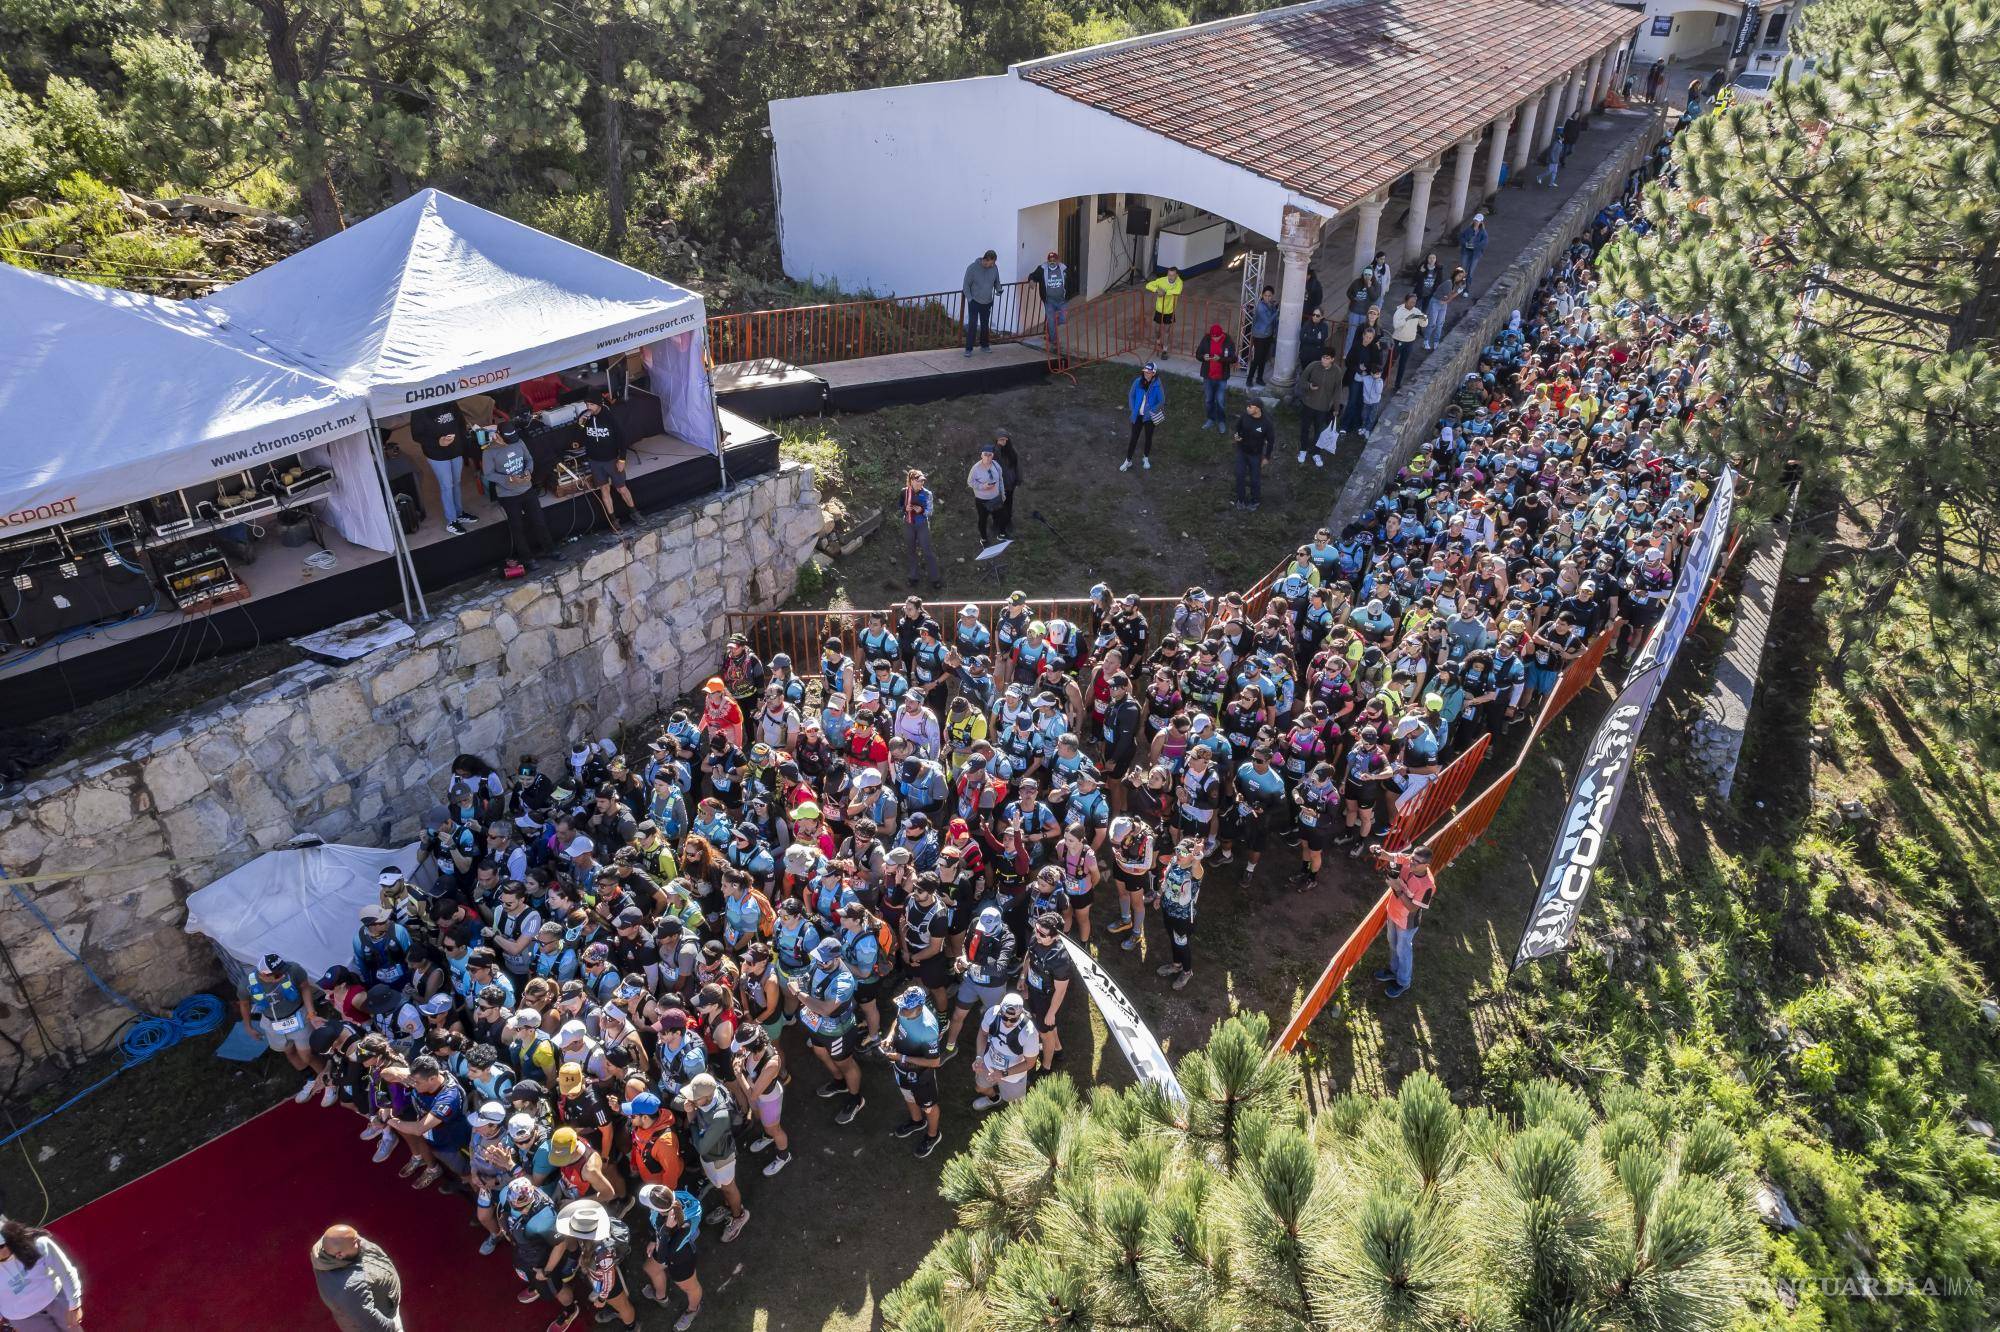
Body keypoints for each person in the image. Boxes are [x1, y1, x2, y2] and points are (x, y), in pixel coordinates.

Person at [238, 950, 324, 1104]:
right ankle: (311, 1079)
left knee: (307, 1055)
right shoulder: (247, 984)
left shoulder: (293, 969)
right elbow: (244, 1004)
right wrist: (248, 1026)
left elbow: (304, 986)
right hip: (273, 1024)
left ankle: (328, 1081)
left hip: (298, 1017)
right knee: (289, 1052)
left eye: (282, 972)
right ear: (264, 975)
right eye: (277, 975)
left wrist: (311, 1011)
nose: (283, 976)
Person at [677, 1074, 752, 1242]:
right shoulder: (707, 1096)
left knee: (729, 1188)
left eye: (694, 1098)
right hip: (712, 1156)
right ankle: (728, 1206)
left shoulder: (720, 1116)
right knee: (723, 1187)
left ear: (708, 1097)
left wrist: (691, 1117)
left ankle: (739, 1216)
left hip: (721, 1158)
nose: (690, 1100)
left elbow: (701, 1146)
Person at [550, 1198, 638, 1330]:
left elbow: (609, 1281)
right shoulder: (591, 1238)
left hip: (608, 1283)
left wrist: (602, 1299)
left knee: (622, 1305)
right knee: (616, 1300)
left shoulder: (602, 1255)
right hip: (603, 1275)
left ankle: (631, 1326)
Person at [882, 984, 945, 1157]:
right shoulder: (905, 1009)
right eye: (901, 1006)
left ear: (919, 1008)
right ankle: (917, 1122)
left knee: (929, 1107)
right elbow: (897, 1021)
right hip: (901, 1070)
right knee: (908, 1097)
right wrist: (889, 1037)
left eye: (905, 1009)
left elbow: (935, 1062)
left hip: (921, 1077)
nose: (901, 1010)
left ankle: (933, 1136)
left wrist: (901, 1058)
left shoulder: (928, 1028)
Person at [484, 420, 553, 572]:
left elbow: (529, 459)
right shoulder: (489, 452)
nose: (511, 442)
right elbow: (488, 474)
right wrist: (507, 479)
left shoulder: (519, 441)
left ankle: (550, 550)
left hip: (527, 489)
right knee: (517, 527)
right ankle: (528, 558)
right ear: (498, 436)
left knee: (539, 521)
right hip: (508, 495)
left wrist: (528, 471)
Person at [636, 1184, 704, 1330]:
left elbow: (663, 1257)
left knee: (690, 1287)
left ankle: (693, 1309)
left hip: (681, 1258)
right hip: (671, 1244)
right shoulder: (673, 1197)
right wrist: (655, 1239)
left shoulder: (672, 1226)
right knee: (650, 1269)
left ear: (659, 1211)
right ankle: (661, 1297)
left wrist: (665, 1231)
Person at [1374, 845, 1437, 998]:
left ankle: (1403, 982)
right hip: (1393, 912)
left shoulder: (1427, 886)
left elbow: (1412, 908)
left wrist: (1397, 888)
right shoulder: (1409, 860)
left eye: (1417, 862)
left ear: (1426, 865)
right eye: (1412, 858)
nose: (1411, 863)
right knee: (1392, 944)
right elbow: (1390, 856)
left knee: (1403, 951)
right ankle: (1393, 971)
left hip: (1406, 923)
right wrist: (1379, 851)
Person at [311, 1224, 400, 1332]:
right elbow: (375, 1326)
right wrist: (395, 1327)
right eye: (355, 1242)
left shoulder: (328, 1245)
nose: (359, 1241)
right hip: (382, 1318)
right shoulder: (350, 1287)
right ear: (340, 1255)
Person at [411, 399, 476, 535]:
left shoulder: (450, 402)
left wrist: (462, 442)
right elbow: (416, 435)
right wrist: (438, 441)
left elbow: (460, 423)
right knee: (447, 486)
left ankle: (459, 513)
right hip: (436, 454)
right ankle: (451, 521)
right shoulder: (419, 408)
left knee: (456, 483)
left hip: (455, 451)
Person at [971, 992, 1041, 1110]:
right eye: (1004, 1018)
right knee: (980, 1088)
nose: (1008, 1023)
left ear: (1021, 1014)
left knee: (1016, 1105)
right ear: (1000, 1011)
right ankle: (994, 1099)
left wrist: (1003, 1073)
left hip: (1013, 1076)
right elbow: (982, 1034)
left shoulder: (1029, 1032)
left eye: (1013, 1020)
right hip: (988, 1063)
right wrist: (979, 1057)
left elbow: (1030, 1063)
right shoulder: (992, 1013)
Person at [1021, 911, 1071, 1072]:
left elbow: (1061, 991)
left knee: (1045, 1033)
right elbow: (1029, 955)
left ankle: (1046, 1066)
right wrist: (1023, 977)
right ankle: (1058, 1050)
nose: (1037, 935)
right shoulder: (1036, 938)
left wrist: (1051, 1012)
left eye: (1042, 934)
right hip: (1034, 990)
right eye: (1036, 929)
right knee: (1040, 1023)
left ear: (1056, 936)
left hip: (1047, 998)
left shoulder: (1060, 958)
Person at [578, 400, 637, 531]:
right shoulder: (585, 416)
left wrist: (622, 459)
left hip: (611, 460)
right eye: (587, 405)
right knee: (604, 489)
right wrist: (581, 423)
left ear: (599, 404)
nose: (589, 407)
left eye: (592, 404)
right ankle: (613, 520)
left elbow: (622, 438)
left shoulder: (610, 417)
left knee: (622, 488)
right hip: (595, 461)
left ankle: (634, 513)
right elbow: (580, 434)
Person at [1154, 837, 1204, 989]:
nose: (1179, 854)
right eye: (1178, 850)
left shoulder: (1194, 871)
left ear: (1191, 854)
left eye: (1184, 852)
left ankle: (1187, 972)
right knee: (1172, 938)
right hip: (1168, 909)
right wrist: (1158, 896)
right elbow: (1165, 879)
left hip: (1183, 917)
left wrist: (1197, 856)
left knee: (1181, 944)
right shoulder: (1174, 861)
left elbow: (1198, 869)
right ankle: (1176, 965)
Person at [1295, 349, 1341, 466]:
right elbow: (1301, 381)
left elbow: (1337, 391)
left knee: (1319, 431)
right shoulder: (1313, 366)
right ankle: (1303, 450)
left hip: (1323, 407)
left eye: (1327, 358)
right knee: (1305, 428)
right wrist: (1309, 386)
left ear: (1332, 359)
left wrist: (1336, 408)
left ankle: (1316, 452)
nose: (1324, 360)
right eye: (1323, 357)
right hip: (1308, 404)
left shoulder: (1337, 371)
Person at [900, 468, 942, 590]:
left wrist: (922, 510)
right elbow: (899, 507)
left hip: (922, 524)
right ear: (912, 481)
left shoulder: (927, 493)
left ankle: (935, 579)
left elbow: (930, 511)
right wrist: (905, 509)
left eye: (922, 481)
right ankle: (913, 577)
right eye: (918, 481)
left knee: (927, 551)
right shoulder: (904, 492)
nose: (921, 483)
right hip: (908, 524)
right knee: (911, 551)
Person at [1232, 400, 1274, 511]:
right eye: (1248, 406)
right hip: (1242, 451)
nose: (1248, 408)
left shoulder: (1266, 423)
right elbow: (1237, 427)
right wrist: (1236, 436)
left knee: (1255, 479)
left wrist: (1267, 457)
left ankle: (1255, 500)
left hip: (1255, 455)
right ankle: (1241, 499)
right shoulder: (1245, 416)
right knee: (1240, 475)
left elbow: (1271, 441)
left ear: (1258, 409)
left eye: (1250, 406)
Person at [1123, 363, 1165, 472]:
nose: (1146, 374)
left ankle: (1145, 457)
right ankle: (1128, 460)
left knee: (1148, 437)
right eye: (1145, 372)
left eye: (1149, 372)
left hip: (1149, 417)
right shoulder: (1138, 382)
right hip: (1137, 415)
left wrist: (1152, 411)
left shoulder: (1157, 385)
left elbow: (1161, 401)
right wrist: (1133, 409)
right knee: (1134, 438)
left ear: (1154, 373)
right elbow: (1131, 396)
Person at [1031, 250, 1071, 360]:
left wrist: (1068, 293)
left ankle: (1049, 327)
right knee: (1052, 320)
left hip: (1062, 300)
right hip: (1049, 301)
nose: (1052, 262)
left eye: (1054, 260)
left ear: (1058, 260)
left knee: (1063, 319)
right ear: (1047, 261)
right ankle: (1053, 340)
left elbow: (1070, 280)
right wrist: (1032, 281)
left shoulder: (1064, 269)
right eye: (1050, 260)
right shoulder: (1042, 269)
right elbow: (1033, 275)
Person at [1195, 322, 1235, 431]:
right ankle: (1210, 419)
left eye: (1217, 337)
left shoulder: (1228, 341)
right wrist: (1203, 357)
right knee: (1208, 400)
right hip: (1208, 376)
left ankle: (1221, 421)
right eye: (1213, 337)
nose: (1215, 339)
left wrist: (1220, 359)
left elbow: (1233, 358)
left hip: (1221, 377)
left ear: (1221, 335)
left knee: (1220, 400)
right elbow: (1198, 354)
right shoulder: (1206, 339)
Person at [962, 249, 1001, 356]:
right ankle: (968, 349)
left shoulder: (994, 268)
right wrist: (970, 299)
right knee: (972, 325)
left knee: (985, 325)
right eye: (991, 263)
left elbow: (997, 282)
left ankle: (984, 346)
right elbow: (966, 285)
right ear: (986, 259)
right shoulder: (972, 268)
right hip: (974, 301)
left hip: (987, 301)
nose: (993, 265)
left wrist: (999, 290)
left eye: (994, 263)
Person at [966, 442, 1007, 544]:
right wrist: (983, 486)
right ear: (981, 455)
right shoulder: (976, 468)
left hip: (996, 498)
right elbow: (970, 482)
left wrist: (1002, 494)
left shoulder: (996, 465)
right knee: (983, 520)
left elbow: (1000, 480)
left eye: (990, 455)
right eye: (985, 454)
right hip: (982, 500)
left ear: (993, 455)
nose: (988, 457)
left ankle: (1001, 535)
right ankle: (984, 539)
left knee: (1000, 516)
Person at [1390, 293, 1428, 392]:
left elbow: (1423, 324)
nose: (1413, 304)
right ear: (1406, 301)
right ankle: (1382, 380)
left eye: (1414, 302)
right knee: (1390, 362)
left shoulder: (1417, 311)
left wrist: (1424, 318)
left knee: (1403, 364)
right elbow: (1396, 326)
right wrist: (1407, 319)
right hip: (1398, 340)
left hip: (1410, 342)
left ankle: (1397, 384)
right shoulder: (1399, 311)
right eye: (1411, 302)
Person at [1144, 266, 1182, 357]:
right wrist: (1157, 290)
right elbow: (1148, 285)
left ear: (1176, 275)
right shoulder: (1161, 280)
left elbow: (1178, 291)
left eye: (1173, 275)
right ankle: (1158, 342)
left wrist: (1164, 292)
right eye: (1169, 274)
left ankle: (1165, 349)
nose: (1170, 277)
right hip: (1159, 309)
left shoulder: (1179, 282)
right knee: (1157, 329)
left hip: (1170, 311)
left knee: (1167, 330)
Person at [1246, 284, 1278, 386]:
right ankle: (1249, 379)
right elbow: (1268, 321)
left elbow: (1273, 322)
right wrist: (1277, 312)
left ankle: (1259, 378)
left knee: (1263, 358)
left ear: (1272, 296)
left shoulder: (1271, 305)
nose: (1267, 298)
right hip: (1259, 336)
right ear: (1262, 295)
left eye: (1269, 296)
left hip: (1268, 335)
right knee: (1257, 359)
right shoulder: (1260, 306)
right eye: (1265, 295)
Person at [1458, 213, 1490, 279]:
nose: (1476, 222)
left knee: (1470, 272)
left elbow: (1484, 244)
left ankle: (1467, 288)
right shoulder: (1468, 229)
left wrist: (1474, 246)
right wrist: (1465, 244)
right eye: (1475, 220)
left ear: (1481, 222)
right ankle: (1460, 285)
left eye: (1478, 221)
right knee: (1462, 270)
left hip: (1475, 254)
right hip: (1466, 252)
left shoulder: (1483, 233)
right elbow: (1461, 237)